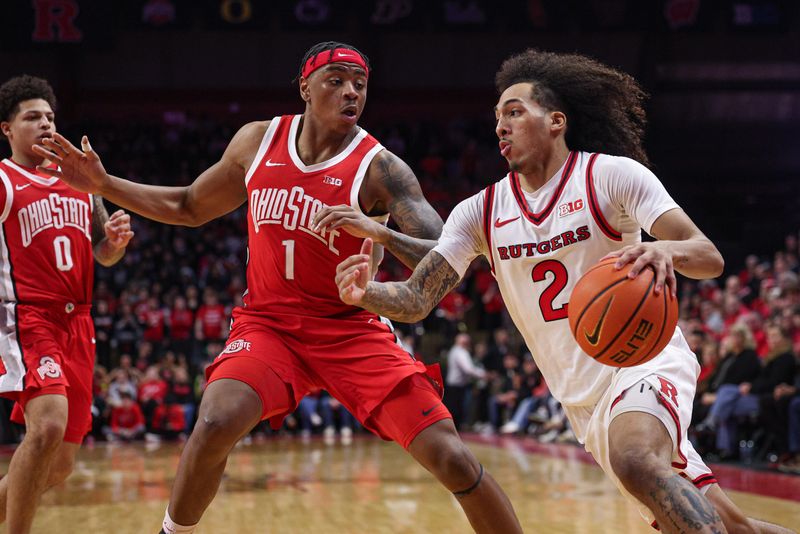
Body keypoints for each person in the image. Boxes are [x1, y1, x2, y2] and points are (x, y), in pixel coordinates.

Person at [34, 42, 522, 534]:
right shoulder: (257, 141)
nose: (351, 91)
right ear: (305, 87)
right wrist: (104, 184)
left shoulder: (381, 167)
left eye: (360, 84)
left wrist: (378, 231)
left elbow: (445, 253)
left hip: (349, 329)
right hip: (269, 326)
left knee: (451, 457)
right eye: (336, 80)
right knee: (215, 422)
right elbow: (187, 206)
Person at [335, 50, 794, 533]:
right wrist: (365, 292)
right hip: (580, 401)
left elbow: (707, 254)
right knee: (734, 527)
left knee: (635, 459)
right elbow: (416, 298)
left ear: (556, 121)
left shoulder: (611, 176)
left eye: (514, 112)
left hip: (643, 360)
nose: (500, 126)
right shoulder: (481, 211)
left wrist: (667, 253)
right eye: (496, 117)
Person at [0, 75, 133, 534]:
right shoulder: (3, 180)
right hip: (27, 317)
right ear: (7, 130)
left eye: (50, 117)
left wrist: (113, 244)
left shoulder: (80, 181)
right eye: (32, 117)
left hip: (80, 324)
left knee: (58, 466)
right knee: (48, 426)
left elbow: (103, 252)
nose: (44, 124)